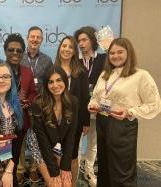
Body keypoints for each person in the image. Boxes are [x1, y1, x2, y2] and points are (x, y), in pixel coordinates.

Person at [88, 37, 161, 187]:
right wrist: (93, 105)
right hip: (103, 122)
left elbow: (155, 104)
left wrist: (130, 111)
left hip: (122, 125)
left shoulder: (141, 75)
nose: (115, 56)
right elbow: (95, 96)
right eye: (112, 53)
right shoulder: (105, 74)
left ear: (129, 53)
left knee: (122, 172)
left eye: (120, 52)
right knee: (104, 168)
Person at [28, 66, 78, 187]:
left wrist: (65, 167)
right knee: (54, 183)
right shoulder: (38, 104)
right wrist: (55, 172)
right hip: (39, 143)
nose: (55, 85)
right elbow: (43, 141)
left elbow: (71, 136)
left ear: (65, 81)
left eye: (59, 80)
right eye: (51, 82)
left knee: (66, 182)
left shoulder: (73, 101)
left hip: (58, 142)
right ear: (46, 85)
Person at [54, 35, 90, 187]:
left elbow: (84, 98)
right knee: (56, 154)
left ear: (75, 51)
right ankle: (58, 182)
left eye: (70, 47)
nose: (66, 49)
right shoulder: (52, 69)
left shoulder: (80, 72)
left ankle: (72, 184)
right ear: (59, 48)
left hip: (74, 121)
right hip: (55, 120)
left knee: (73, 155)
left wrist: (85, 121)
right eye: (64, 46)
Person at [73, 26, 106, 187]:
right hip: (79, 109)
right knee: (76, 142)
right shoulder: (75, 60)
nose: (81, 43)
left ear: (93, 40)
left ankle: (89, 170)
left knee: (93, 142)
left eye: (84, 39)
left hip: (98, 107)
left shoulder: (103, 58)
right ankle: (76, 170)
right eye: (79, 40)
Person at [3, 33, 38, 184]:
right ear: (5, 51)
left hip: (21, 122)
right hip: (1, 123)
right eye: (11, 50)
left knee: (16, 156)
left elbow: (33, 93)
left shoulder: (27, 71)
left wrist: (28, 103)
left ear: (23, 52)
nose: (15, 53)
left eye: (18, 50)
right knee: (3, 158)